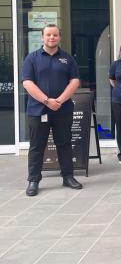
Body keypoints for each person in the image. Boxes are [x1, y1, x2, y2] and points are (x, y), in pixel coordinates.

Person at [21, 24, 82, 196]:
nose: (51, 38)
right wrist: (47, 101)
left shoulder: (67, 59)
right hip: (38, 110)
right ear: (42, 37)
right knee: (36, 146)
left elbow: (75, 81)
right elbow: (27, 83)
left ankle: (68, 177)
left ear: (59, 37)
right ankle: (33, 180)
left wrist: (60, 100)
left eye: (55, 35)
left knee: (64, 143)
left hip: (62, 109)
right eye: (48, 35)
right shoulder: (32, 58)